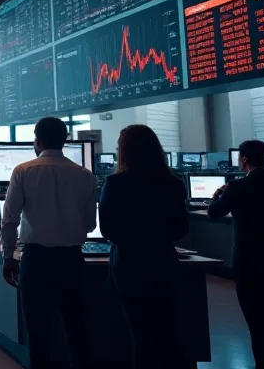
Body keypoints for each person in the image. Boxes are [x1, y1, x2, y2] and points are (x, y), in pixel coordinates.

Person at [1, 117, 97, 368]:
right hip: (72, 260)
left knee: (38, 333)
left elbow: (9, 220)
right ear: (65, 141)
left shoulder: (23, 171)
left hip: (36, 260)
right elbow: (90, 224)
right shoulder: (85, 175)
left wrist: (8, 257)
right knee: (77, 330)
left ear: (38, 141)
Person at [99, 125, 188, 367]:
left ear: (125, 151)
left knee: (141, 338)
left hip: (129, 267)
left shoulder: (115, 183)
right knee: (169, 335)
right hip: (164, 264)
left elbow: (108, 230)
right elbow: (181, 229)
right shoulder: (173, 183)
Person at [209, 140, 264, 369]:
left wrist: (217, 195)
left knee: (258, 327)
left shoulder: (236, 188)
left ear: (244, 159)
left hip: (248, 266)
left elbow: (214, 212)